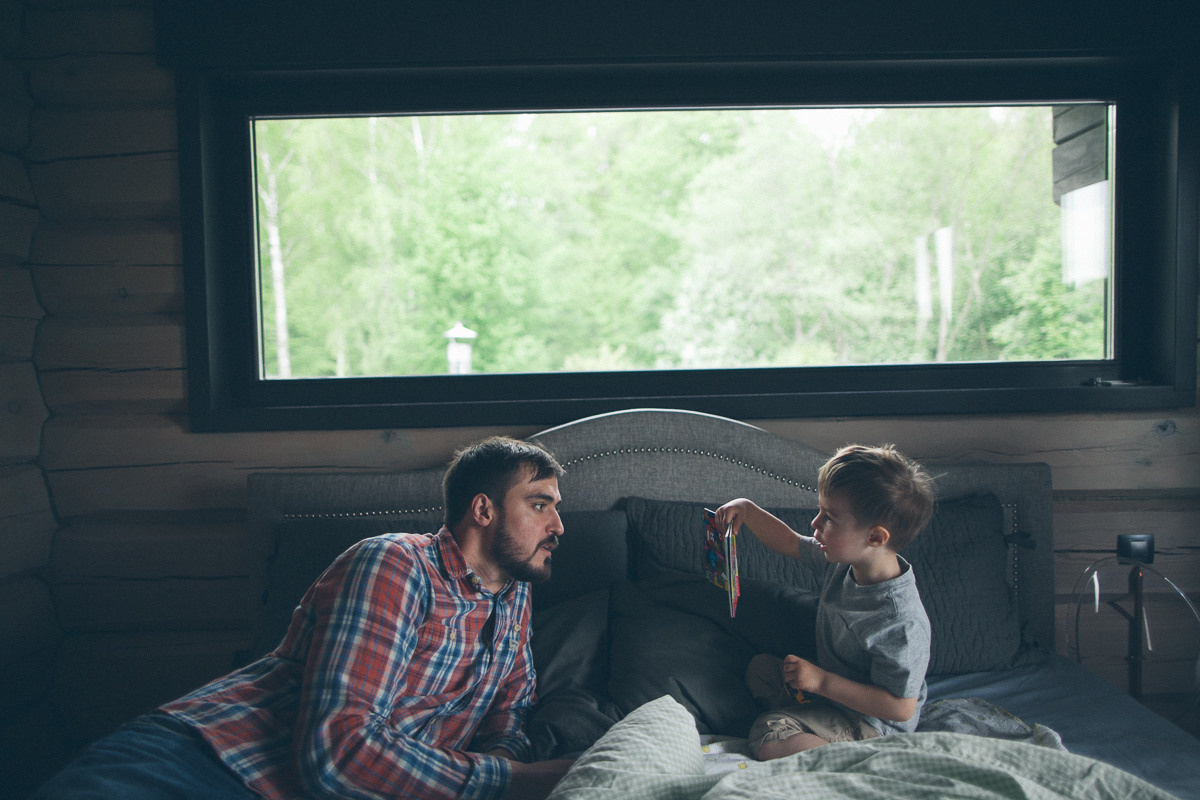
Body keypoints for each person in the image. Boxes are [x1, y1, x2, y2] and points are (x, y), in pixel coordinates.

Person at [33, 436, 575, 800]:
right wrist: (511, 781)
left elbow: (509, 712)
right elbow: (338, 751)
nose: (558, 526)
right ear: (483, 510)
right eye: (539, 504)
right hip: (203, 763)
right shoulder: (396, 564)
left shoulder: (513, 596)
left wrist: (502, 767)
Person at [714, 443, 935, 761]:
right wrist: (747, 510)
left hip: (873, 723)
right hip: (833, 696)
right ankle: (810, 728)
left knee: (769, 732)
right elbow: (790, 541)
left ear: (875, 537)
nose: (815, 524)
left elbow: (900, 708)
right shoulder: (843, 561)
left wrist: (821, 682)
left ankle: (855, 762)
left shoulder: (899, 620)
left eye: (829, 518)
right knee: (761, 669)